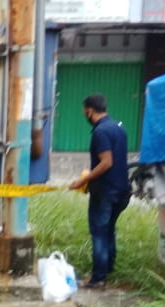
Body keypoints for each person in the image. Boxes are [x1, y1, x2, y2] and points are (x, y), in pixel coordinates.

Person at [69, 94, 130, 288]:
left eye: (84, 112)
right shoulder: (119, 127)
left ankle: (98, 278)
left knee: (99, 233)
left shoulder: (101, 132)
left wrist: (83, 180)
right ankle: (107, 268)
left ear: (89, 111)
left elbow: (106, 162)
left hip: (105, 192)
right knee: (109, 229)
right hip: (122, 189)